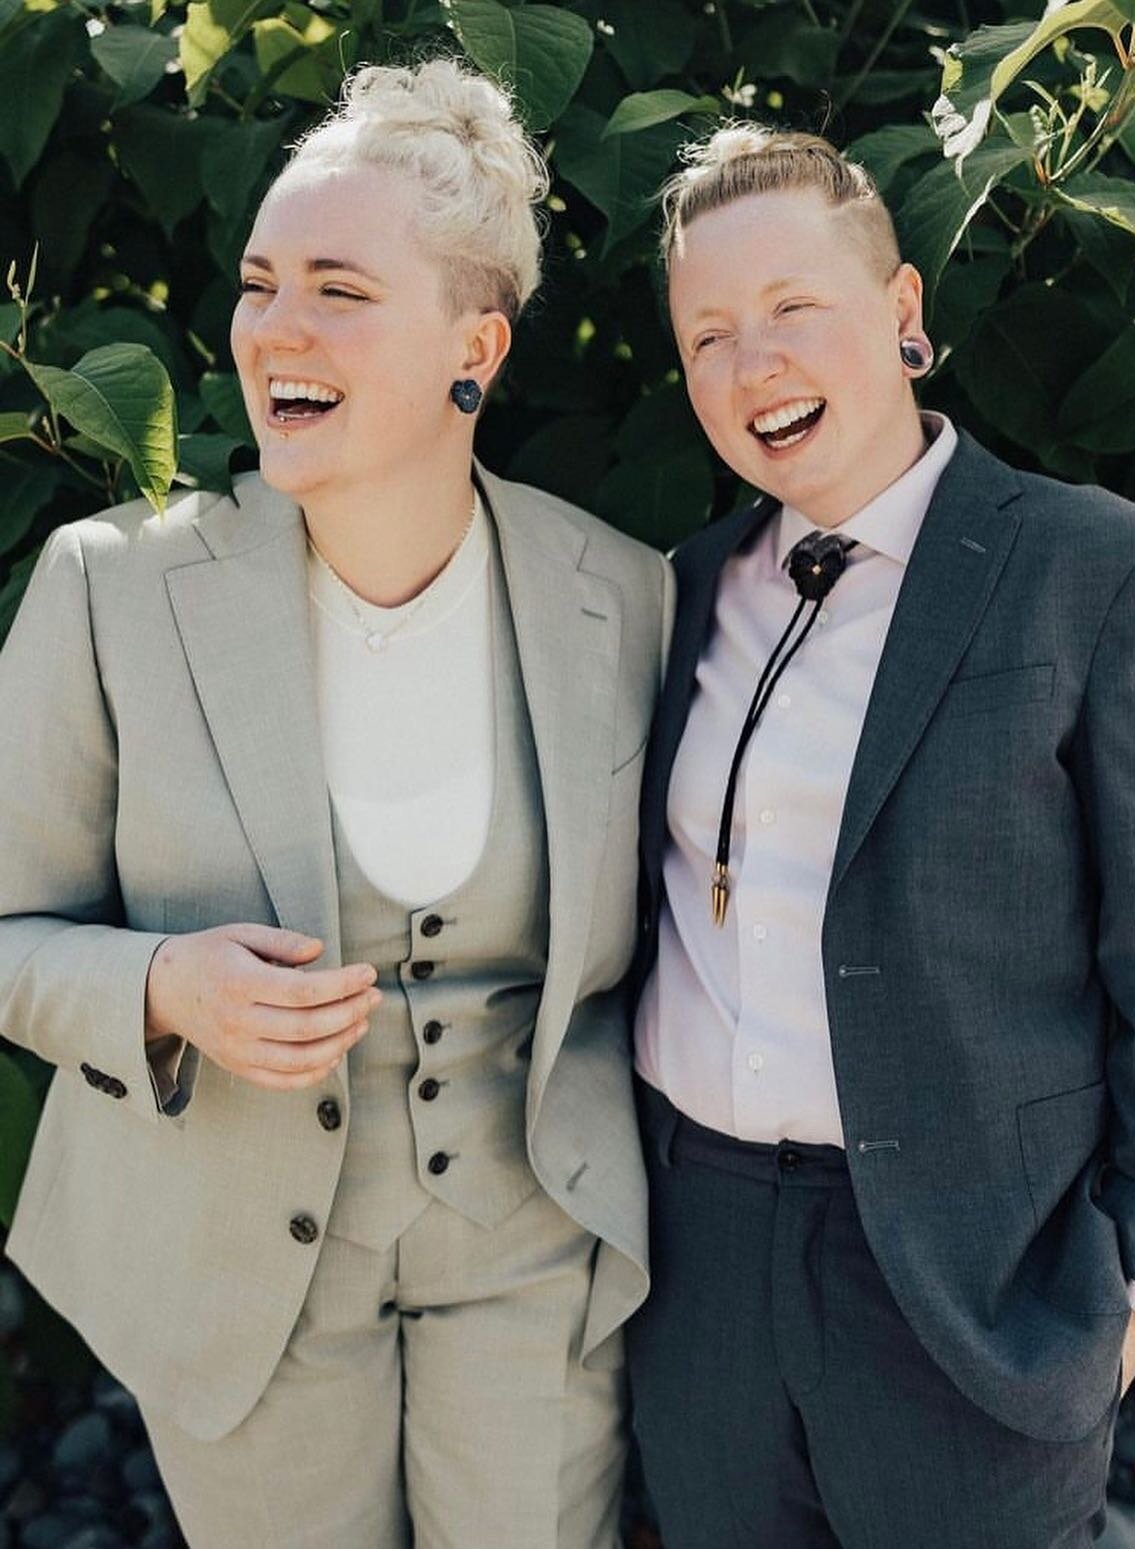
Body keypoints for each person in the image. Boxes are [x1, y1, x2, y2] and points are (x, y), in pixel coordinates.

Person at [0, 58, 671, 1549]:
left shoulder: (623, 596)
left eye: (340, 290)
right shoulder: (110, 590)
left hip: (532, 1250)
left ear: (473, 347)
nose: (275, 329)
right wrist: (160, 984)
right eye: (258, 282)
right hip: (239, 1262)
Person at [626, 125, 1135, 1549]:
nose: (753, 363)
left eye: (794, 309)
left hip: (975, 1273)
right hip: (699, 1257)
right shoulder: (672, 593)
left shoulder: (1095, 572)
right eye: (708, 334)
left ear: (903, 317)